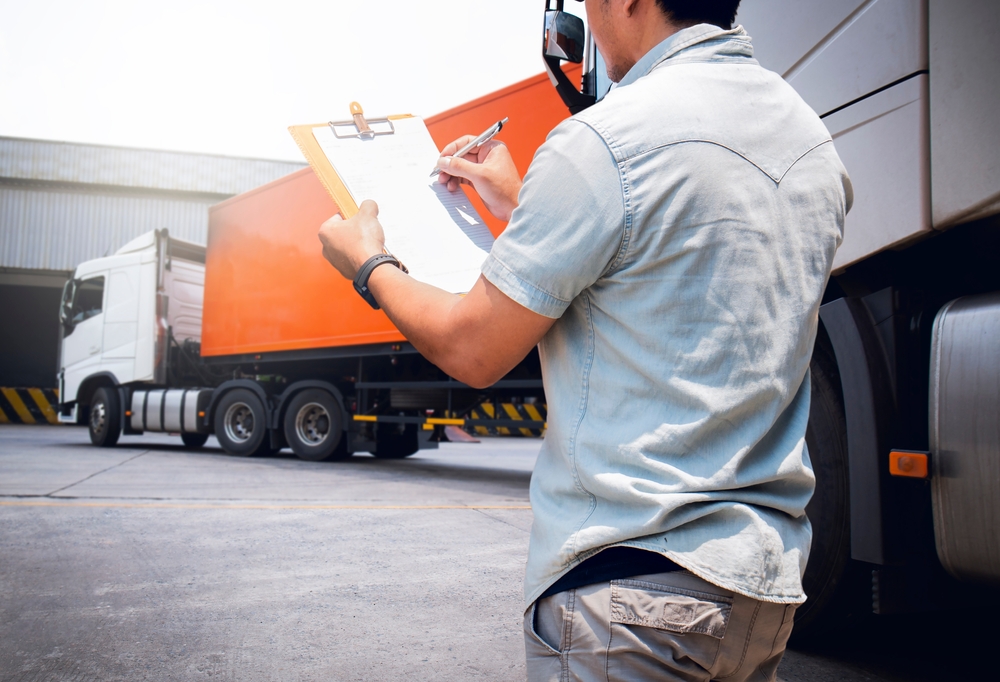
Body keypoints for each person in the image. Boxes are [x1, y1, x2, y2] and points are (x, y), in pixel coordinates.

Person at [318, 0, 852, 678]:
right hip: (760, 589)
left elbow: (471, 348)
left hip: (630, 593)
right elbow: (672, 269)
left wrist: (370, 263)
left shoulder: (605, 142)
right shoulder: (808, 140)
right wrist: (523, 203)